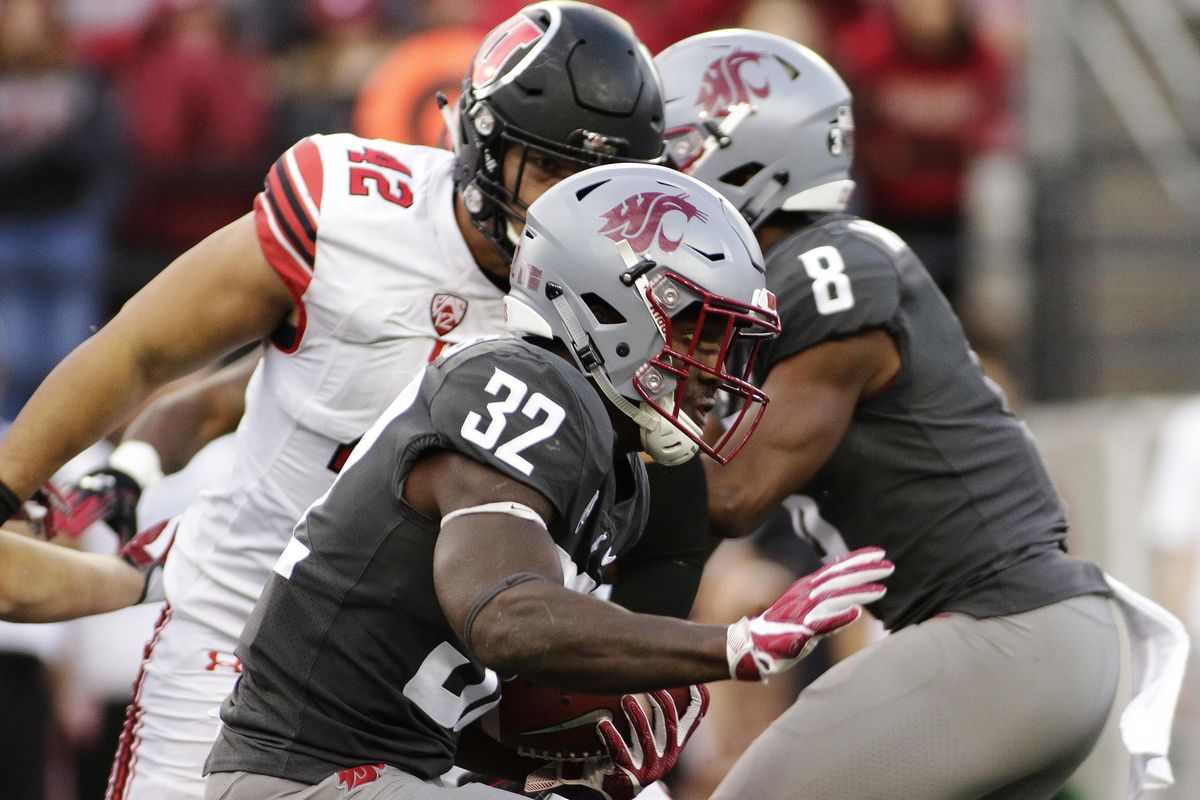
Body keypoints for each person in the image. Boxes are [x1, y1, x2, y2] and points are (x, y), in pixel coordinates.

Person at [0, 4, 678, 798]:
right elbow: (143, 349)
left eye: (598, 182)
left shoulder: (625, 304)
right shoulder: (351, 213)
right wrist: (10, 485)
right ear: (488, 143)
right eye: (555, 169)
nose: (575, 205)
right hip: (241, 649)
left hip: (447, 689)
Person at [203, 161, 893, 800]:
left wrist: (570, 767)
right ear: (613, 303)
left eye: (731, 344)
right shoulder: (518, 383)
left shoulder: (619, 467)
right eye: (699, 334)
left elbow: (455, 693)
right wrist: (733, 644)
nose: (718, 373)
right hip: (302, 776)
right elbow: (506, 613)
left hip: (393, 769)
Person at [656, 30, 1185, 799]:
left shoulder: (823, 269)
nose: (660, 183)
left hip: (1001, 638)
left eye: (676, 151)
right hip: (1030, 643)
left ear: (741, 153)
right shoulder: (820, 265)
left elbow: (729, 498)